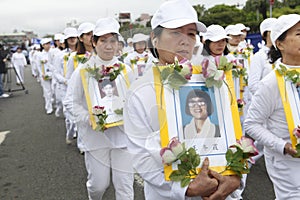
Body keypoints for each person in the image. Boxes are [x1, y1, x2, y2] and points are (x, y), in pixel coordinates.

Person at [123, 0, 240, 199]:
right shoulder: (140, 91)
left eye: (191, 33)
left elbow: (233, 133)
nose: (185, 40)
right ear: (155, 39)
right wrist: (185, 189)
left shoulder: (211, 80)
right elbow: (140, 156)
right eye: (176, 32)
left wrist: (236, 176)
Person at [71, 17, 134, 200]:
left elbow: (134, 100)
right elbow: (71, 103)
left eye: (113, 40)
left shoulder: (126, 70)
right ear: (94, 42)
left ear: (118, 43)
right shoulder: (82, 71)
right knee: (99, 185)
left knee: (125, 185)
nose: (108, 46)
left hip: (122, 136)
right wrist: (90, 118)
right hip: (96, 137)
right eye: (103, 40)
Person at [244, 14, 300, 200]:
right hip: (287, 164)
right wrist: (282, 145)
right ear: (280, 44)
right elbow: (252, 124)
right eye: (299, 33)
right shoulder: (271, 83)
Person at [37, 38, 54, 114]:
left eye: (49, 44)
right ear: (42, 45)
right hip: (45, 75)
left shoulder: (53, 52)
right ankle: (48, 107)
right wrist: (41, 74)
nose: (48, 45)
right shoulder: (40, 55)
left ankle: (55, 102)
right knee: (47, 92)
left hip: (53, 74)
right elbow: (38, 65)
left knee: (54, 90)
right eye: (46, 44)